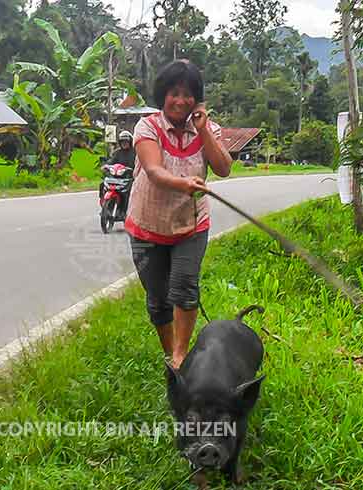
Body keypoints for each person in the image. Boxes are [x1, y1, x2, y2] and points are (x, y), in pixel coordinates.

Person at [126, 60, 233, 369]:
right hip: (147, 226)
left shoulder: (207, 128)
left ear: (196, 99)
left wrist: (203, 131)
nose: (180, 100)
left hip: (191, 225)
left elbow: (224, 168)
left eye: (188, 94)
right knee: (158, 299)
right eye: (174, 93)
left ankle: (180, 357)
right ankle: (170, 349)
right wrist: (184, 183)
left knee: (185, 287)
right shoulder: (147, 126)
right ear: (163, 95)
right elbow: (154, 171)